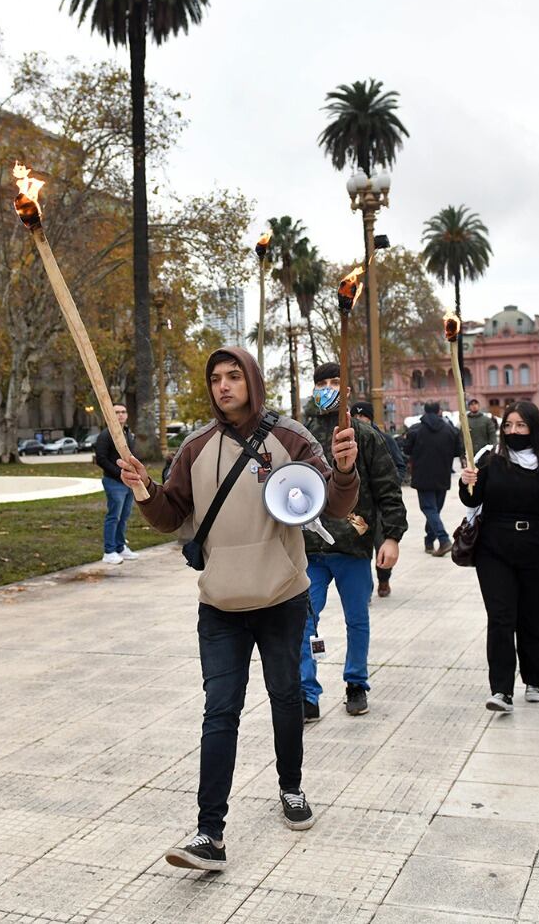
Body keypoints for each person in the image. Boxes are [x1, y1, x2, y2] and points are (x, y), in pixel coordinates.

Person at [118, 347, 359, 873]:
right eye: (215, 378)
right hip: (220, 604)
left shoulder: (291, 437)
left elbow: (334, 507)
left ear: (251, 379)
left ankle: (291, 788)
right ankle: (210, 833)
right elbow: (170, 515)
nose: (223, 385)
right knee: (219, 712)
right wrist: (143, 491)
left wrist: (343, 471)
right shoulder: (196, 446)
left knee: (285, 697)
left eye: (233, 376)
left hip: (281, 597)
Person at [458, 401, 539, 713]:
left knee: (535, 618)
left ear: (533, 428)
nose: (513, 431)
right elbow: (472, 498)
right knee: (501, 618)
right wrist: (466, 483)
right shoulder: (490, 460)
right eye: (509, 425)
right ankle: (501, 689)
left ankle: (535, 678)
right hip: (495, 548)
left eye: (521, 425)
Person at [300, 366, 406, 716]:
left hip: (353, 544)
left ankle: (356, 682)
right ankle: (306, 692)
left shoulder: (365, 435)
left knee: (357, 619)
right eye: (321, 384)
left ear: (346, 390)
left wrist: (390, 537)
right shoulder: (297, 435)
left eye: (334, 384)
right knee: (303, 620)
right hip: (308, 549)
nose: (327, 389)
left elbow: (387, 488)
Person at [350, 400, 407, 595]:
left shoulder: (383, 439)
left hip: (380, 507)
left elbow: (400, 466)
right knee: (359, 549)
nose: (359, 420)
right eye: (355, 416)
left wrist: (389, 484)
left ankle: (384, 579)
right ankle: (364, 588)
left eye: (363, 416)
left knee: (381, 543)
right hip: (357, 508)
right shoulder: (346, 440)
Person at [406, 401, 461, 557]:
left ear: (425, 411)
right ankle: (429, 541)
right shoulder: (450, 430)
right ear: (439, 411)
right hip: (442, 475)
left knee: (430, 510)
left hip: (423, 476)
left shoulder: (416, 430)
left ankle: (443, 540)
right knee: (434, 510)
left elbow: (407, 449)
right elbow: (458, 451)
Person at [93, 403, 139, 566]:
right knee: (114, 516)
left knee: (124, 516)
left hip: (128, 483)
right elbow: (101, 459)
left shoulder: (127, 433)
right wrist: (119, 474)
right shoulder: (106, 435)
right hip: (114, 482)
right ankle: (109, 551)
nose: (120, 415)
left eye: (123, 412)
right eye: (117, 412)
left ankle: (120, 547)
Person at [351, 400, 406, 489]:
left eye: (361, 416)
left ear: (370, 418)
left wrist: (392, 486)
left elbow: (400, 466)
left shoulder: (386, 439)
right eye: (354, 416)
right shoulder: (349, 441)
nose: (357, 419)